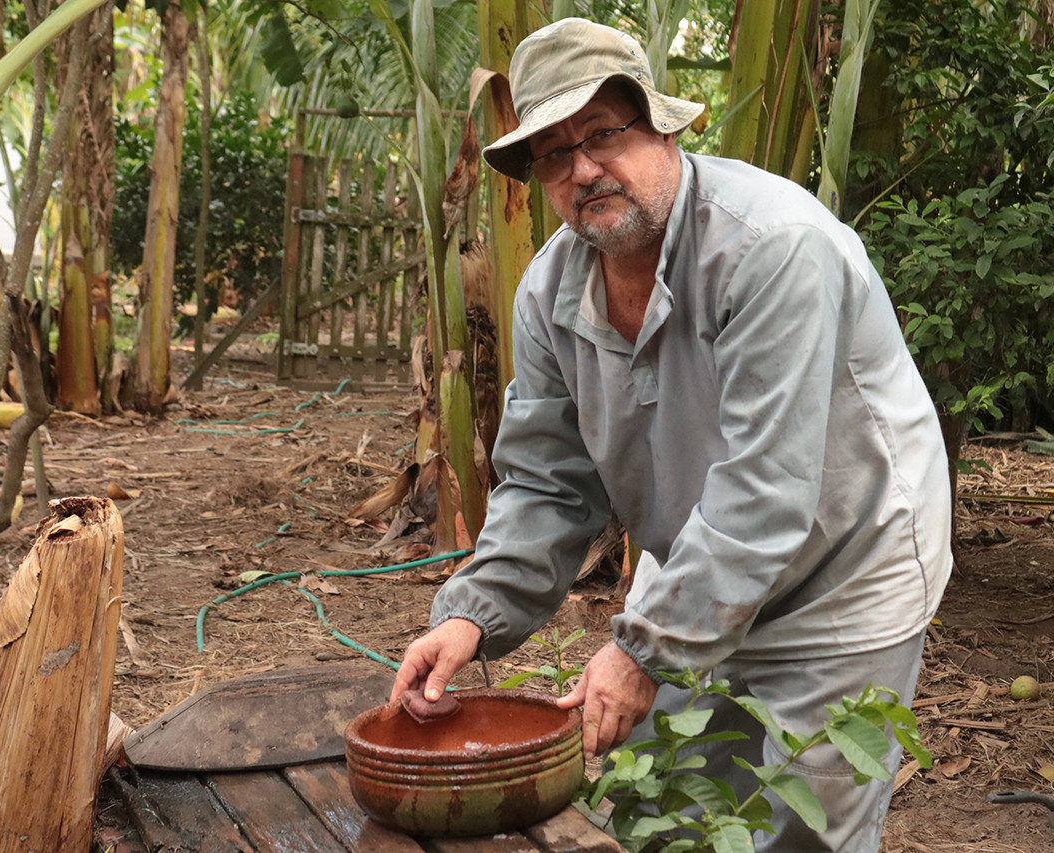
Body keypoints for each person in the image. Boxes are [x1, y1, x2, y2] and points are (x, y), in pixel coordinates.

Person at [390, 17, 952, 852]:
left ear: (661, 125)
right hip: (704, 570)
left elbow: (765, 492)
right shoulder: (550, 292)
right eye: (553, 153)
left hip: (845, 567)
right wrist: (472, 615)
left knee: (801, 829)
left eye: (603, 133)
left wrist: (645, 651)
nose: (583, 168)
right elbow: (547, 484)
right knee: (673, 811)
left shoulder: (773, 249)